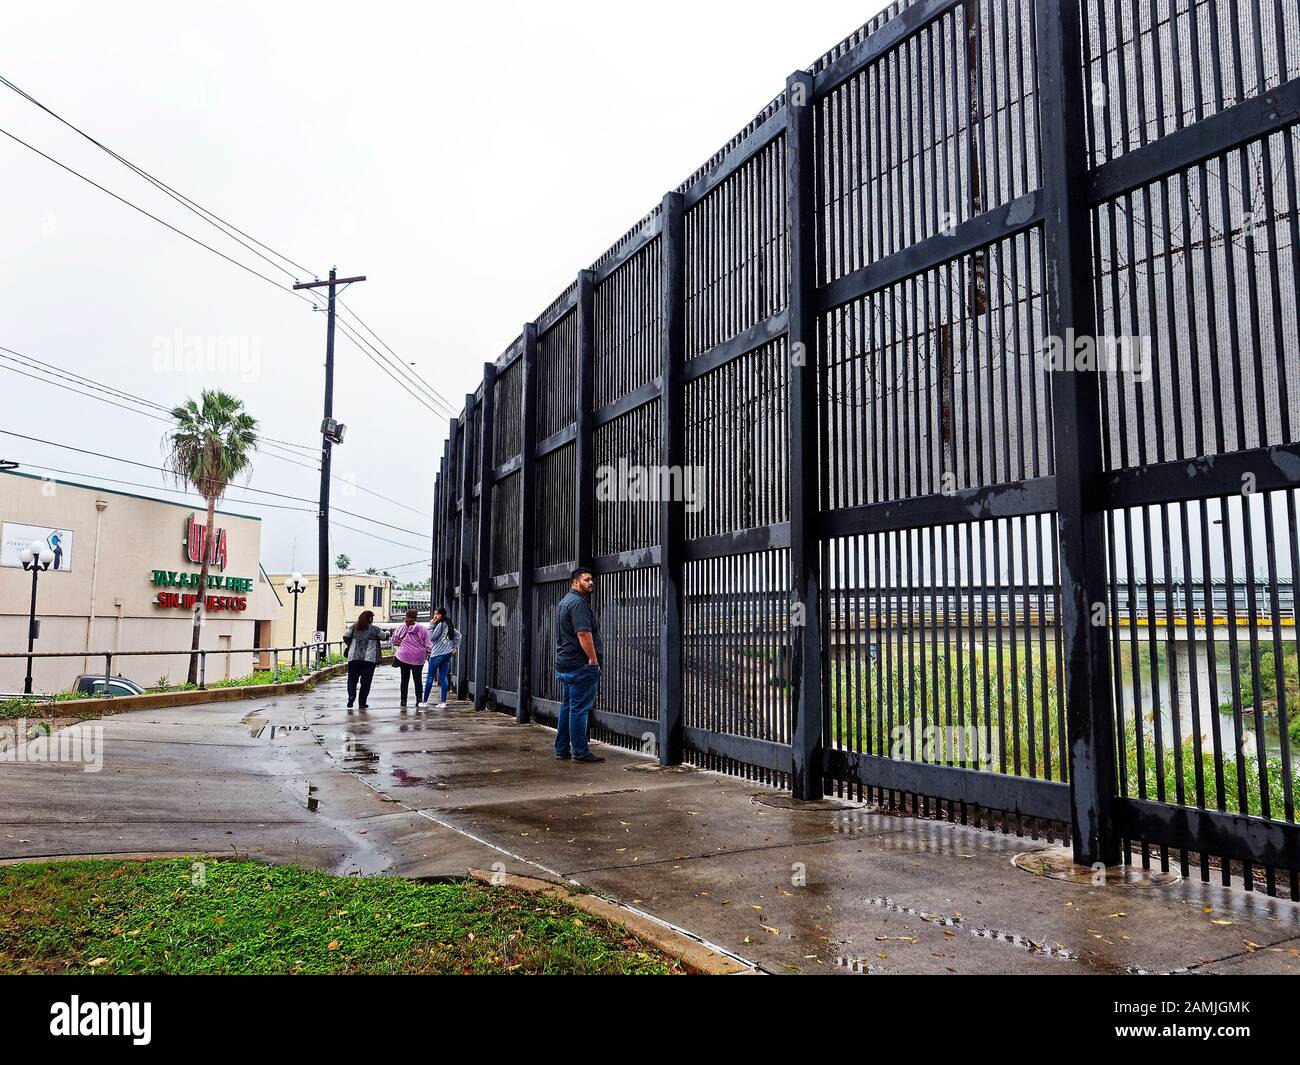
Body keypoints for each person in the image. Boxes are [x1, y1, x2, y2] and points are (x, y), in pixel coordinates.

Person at [553, 566, 604, 763]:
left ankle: (562, 748)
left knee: (568, 706)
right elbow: (583, 633)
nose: (591, 583)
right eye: (586, 580)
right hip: (580, 666)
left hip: (565, 665)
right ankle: (580, 751)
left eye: (591, 579)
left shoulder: (565, 602)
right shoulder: (578, 604)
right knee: (579, 709)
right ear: (575, 582)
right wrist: (592, 659)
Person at [420, 607, 460, 709]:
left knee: (430, 676)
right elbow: (458, 635)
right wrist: (454, 648)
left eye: (437, 614)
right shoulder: (449, 624)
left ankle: (424, 702)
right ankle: (443, 702)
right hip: (447, 654)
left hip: (437, 655)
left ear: (441, 615)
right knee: (443, 677)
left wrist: (431, 625)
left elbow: (432, 638)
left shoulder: (440, 625)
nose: (435, 616)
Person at [391, 607, 431, 708]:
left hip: (404, 656)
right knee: (418, 679)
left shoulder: (402, 627)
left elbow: (395, 641)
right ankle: (419, 700)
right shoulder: (422, 629)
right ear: (416, 617)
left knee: (404, 679)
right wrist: (428, 654)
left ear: (406, 616)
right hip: (418, 657)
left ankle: (403, 701)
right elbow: (428, 645)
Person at [342, 609, 383, 709]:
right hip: (369, 659)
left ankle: (351, 696)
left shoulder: (353, 627)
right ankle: (362, 703)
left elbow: (345, 636)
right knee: (366, 682)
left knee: (352, 679)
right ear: (370, 619)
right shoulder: (375, 629)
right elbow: (384, 636)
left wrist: (351, 644)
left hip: (354, 658)